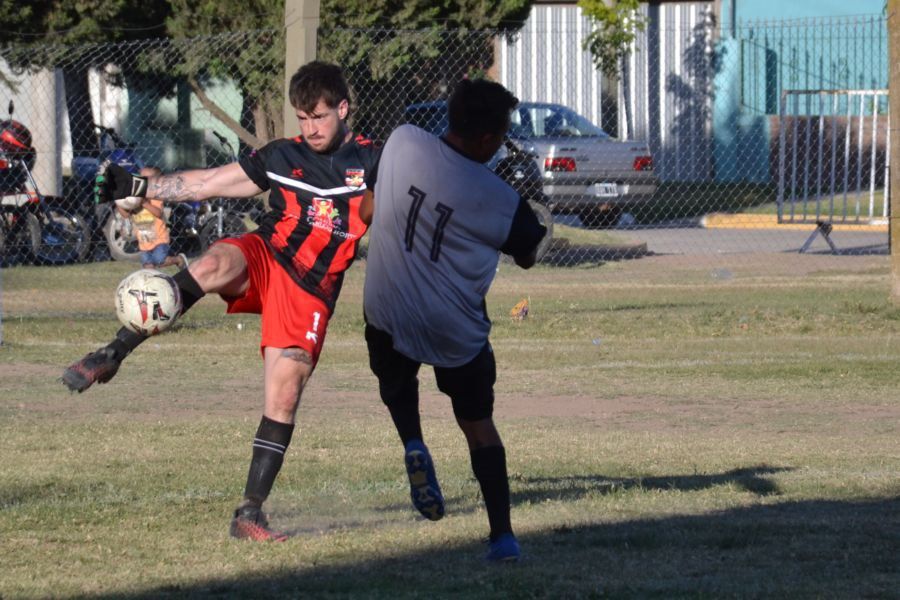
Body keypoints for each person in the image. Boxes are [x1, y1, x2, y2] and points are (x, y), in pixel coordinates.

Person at [62, 61, 380, 542]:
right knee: (210, 265)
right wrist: (142, 189)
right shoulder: (282, 155)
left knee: (285, 391)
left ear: (343, 108)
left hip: (311, 288)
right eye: (302, 117)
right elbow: (209, 182)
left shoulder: (375, 162)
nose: (310, 128)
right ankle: (111, 353)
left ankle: (249, 513)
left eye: (319, 116)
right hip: (267, 255)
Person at [362, 79, 547, 562]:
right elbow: (528, 254)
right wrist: (520, 198)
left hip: (389, 309)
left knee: (394, 372)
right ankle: (502, 535)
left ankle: (413, 441)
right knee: (478, 424)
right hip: (454, 327)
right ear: (487, 140)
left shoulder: (403, 139)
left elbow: (366, 207)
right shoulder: (500, 197)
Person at [115, 166, 187, 270]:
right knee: (147, 266)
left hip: (159, 239)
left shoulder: (155, 197)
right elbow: (126, 215)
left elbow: (158, 213)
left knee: (160, 260)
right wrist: (119, 203)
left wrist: (144, 203)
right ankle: (153, 282)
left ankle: (178, 259)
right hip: (144, 242)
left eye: (147, 179)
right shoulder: (134, 200)